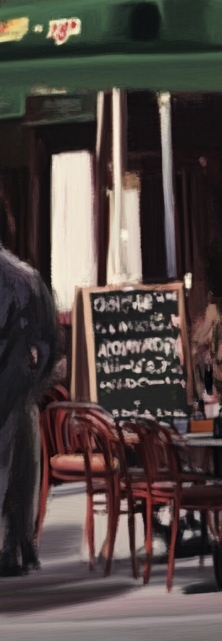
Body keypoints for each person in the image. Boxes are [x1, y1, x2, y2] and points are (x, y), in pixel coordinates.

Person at [0, 240, 62, 577]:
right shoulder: (29, 279)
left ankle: (13, 549)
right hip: (21, 392)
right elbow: (51, 345)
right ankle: (19, 548)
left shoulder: (19, 279)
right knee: (22, 470)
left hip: (14, 389)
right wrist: (34, 385)